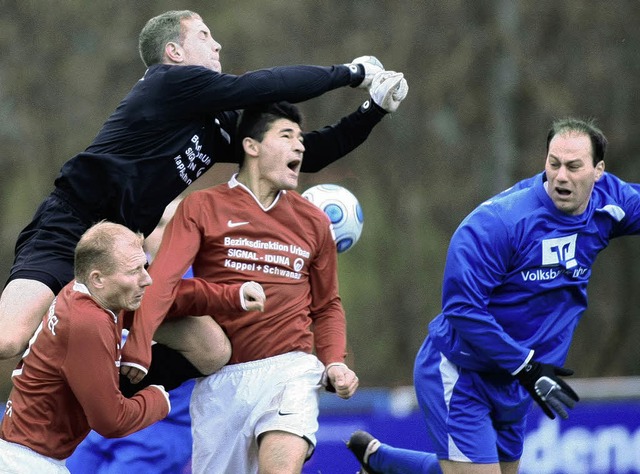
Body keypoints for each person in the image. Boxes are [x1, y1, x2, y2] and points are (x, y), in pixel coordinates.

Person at [0, 8, 407, 389]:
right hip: (71, 226)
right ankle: (55, 369)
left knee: (211, 350)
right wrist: (352, 73)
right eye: (204, 36)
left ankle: (77, 390)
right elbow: (265, 84)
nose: (217, 46)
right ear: (174, 52)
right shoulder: (167, 82)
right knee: (8, 340)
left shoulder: (218, 125)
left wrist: (373, 109)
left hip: (121, 252)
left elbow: (308, 154)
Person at [347, 117, 638, 474]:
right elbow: (461, 309)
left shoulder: (610, 202)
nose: (561, 176)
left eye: (574, 166)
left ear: (598, 171)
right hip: (462, 371)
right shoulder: (498, 223)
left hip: (515, 381)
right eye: (553, 163)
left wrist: (524, 371)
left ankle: (382, 464)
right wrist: (527, 366)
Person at [124, 101, 359, 473]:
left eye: (301, 138)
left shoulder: (314, 221)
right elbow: (164, 280)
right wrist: (138, 346)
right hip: (223, 381)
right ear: (251, 146)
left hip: (290, 370)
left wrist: (334, 361)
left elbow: (327, 304)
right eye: (287, 136)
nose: (300, 146)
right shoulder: (202, 207)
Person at [0, 221, 170, 474]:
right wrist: (158, 399)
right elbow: (111, 421)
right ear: (98, 278)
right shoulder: (89, 322)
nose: (147, 279)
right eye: (134, 271)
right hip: (28, 463)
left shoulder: (79, 293)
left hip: (24, 454)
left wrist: (232, 297)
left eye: (144, 267)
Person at [66, 198, 195, 474]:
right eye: (159, 225)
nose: (168, 233)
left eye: (178, 226)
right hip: (101, 421)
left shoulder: (200, 286)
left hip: (162, 427)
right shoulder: (119, 277)